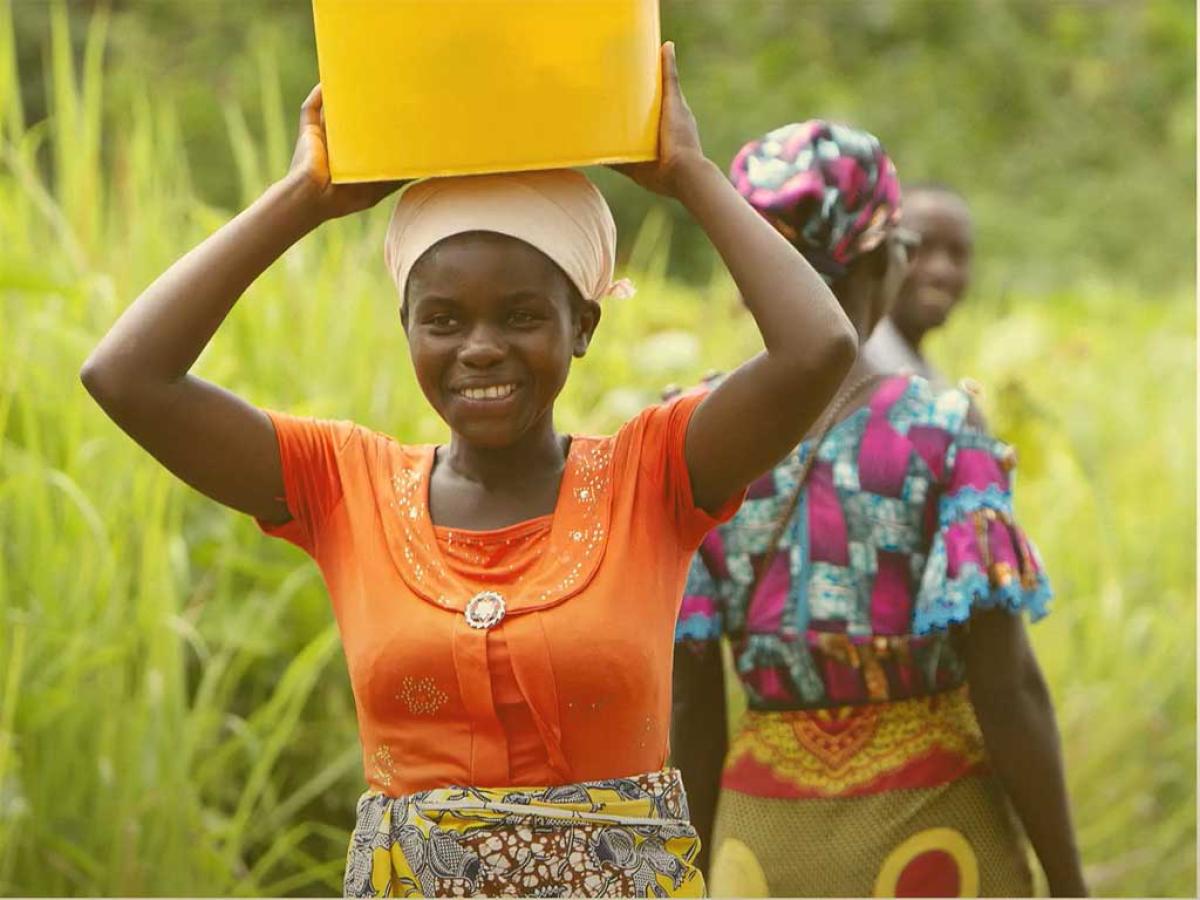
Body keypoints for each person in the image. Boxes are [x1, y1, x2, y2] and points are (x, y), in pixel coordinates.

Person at [80, 45, 859, 897]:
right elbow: (126, 376)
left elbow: (817, 350)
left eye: (523, 314)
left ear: (583, 325)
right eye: (443, 319)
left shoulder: (658, 473)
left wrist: (692, 175)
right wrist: (303, 199)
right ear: (408, 328)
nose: (480, 347)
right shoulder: (341, 485)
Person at [671, 122, 1087, 897]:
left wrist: (682, 876)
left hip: (759, 848)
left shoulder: (691, 434)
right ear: (881, 255)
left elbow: (689, 703)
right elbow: (1007, 687)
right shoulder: (941, 431)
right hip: (929, 834)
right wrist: (1069, 881)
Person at [863, 183, 974, 390]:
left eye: (957, 253)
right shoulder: (856, 371)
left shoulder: (934, 383)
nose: (941, 271)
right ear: (882, 251)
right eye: (921, 247)